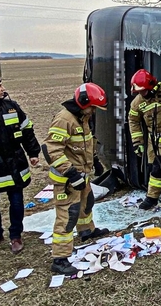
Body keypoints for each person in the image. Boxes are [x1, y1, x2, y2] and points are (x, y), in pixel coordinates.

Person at [42, 83, 110, 274]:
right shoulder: (65, 119)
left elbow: (84, 144)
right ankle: (60, 258)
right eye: (93, 107)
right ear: (83, 102)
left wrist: (94, 161)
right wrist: (71, 174)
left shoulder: (83, 117)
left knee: (86, 204)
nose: (94, 111)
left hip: (82, 174)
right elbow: (51, 150)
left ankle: (86, 231)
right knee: (68, 215)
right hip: (67, 180)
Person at [0, 72, 40, 253]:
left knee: (16, 202)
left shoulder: (12, 107)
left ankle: (15, 235)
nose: (3, 89)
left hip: (15, 165)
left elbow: (27, 129)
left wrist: (33, 152)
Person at [128, 69, 161, 210]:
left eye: (144, 91)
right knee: (156, 168)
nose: (142, 94)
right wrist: (137, 143)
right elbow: (133, 121)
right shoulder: (137, 103)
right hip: (155, 141)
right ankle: (159, 195)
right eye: (139, 91)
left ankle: (156, 196)